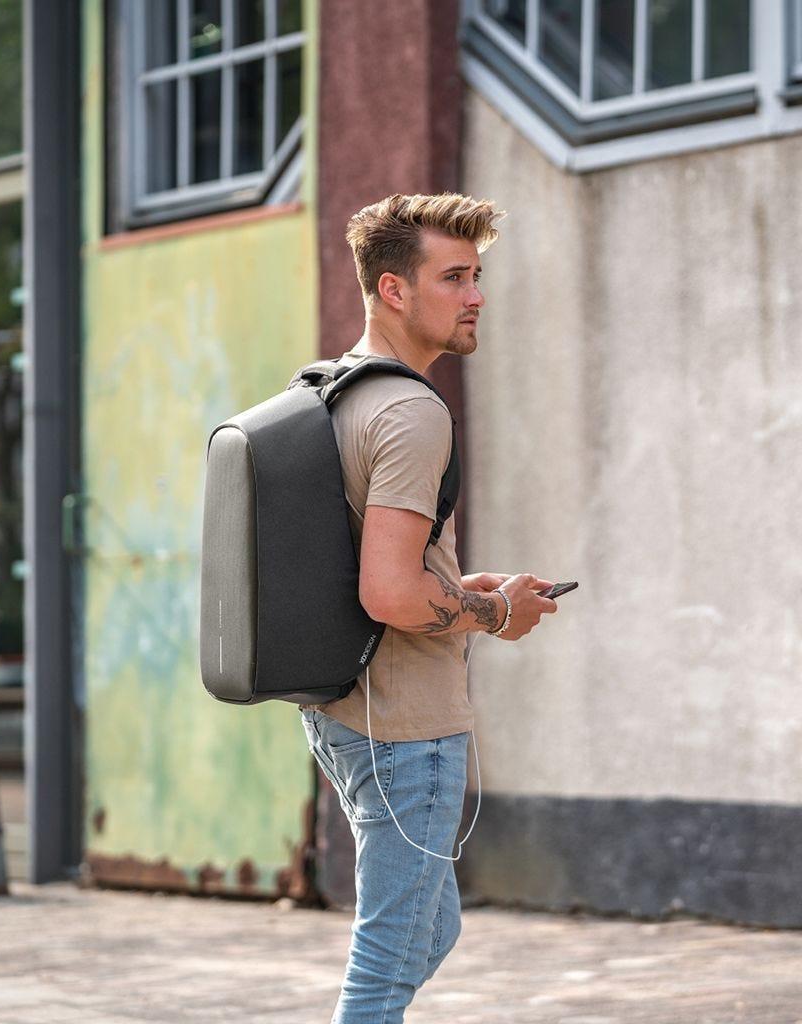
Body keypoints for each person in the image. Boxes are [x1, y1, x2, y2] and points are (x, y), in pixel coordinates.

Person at [299, 192, 558, 1023]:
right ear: (394, 289)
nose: (476, 295)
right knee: (384, 966)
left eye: (476, 275)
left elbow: (377, 565)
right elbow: (388, 593)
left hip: (345, 713)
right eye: (453, 277)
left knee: (429, 927)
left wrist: (464, 586)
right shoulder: (412, 411)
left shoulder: (336, 391)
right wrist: (497, 615)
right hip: (408, 725)